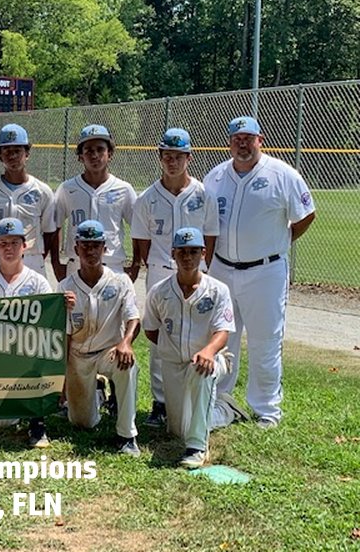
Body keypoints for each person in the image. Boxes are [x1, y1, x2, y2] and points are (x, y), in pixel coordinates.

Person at [204, 116, 316, 428]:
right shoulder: (215, 177)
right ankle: (219, 403)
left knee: (265, 341)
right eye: (237, 137)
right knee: (222, 339)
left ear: (260, 140)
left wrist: (282, 240)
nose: (243, 143)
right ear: (229, 142)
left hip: (266, 271)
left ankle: (266, 410)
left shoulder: (283, 175)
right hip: (222, 269)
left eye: (248, 137)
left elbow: (306, 214)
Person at [131, 128, 220, 428]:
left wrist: (199, 269)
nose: (172, 162)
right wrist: (157, 265)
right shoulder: (146, 197)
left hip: (196, 272)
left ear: (188, 158)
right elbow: (141, 241)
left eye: (178, 156)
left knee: (199, 335)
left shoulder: (204, 194)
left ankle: (198, 396)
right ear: (160, 157)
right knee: (160, 340)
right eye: (167, 156)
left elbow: (210, 237)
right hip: (160, 270)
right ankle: (160, 402)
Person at [143, 227, 242, 468]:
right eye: (182, 252)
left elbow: (223, 332)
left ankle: (197, 447)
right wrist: (174, 349)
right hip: (174, 363)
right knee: (178, 428)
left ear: (204, 254)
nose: (188, 258)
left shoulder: (218, 290)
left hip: (212, 358)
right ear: (173, 254)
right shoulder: (160, 291)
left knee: (201, 370)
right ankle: (226, 409)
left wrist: (208, 351)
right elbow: (151, 329)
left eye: (194, 252)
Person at [0, 218, 55, 447]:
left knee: (43, 355)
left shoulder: (38, 282)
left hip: (25, 352)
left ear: (24, 246)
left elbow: (48, 320)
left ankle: (38, 424)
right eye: (4, 243)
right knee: (3, 422)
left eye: (15, 243)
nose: (9, 248)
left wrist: (62, 306)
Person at [58, 220, 141, 456]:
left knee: (127, 366)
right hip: (78, 356)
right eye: (85, 245)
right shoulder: (66, 287)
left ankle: (127, 435)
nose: (91, 251)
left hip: (109, 351)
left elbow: (134, 317)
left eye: (96, 245)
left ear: (105, 248)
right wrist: (62, 379)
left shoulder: (120, 281)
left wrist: (125, 343)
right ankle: (97, 390)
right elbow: (62, 335)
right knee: (82, 423)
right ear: (76, 249)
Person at [53, 124, 138, 282]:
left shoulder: (124, 189)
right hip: (77, 265)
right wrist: (56, 262)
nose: (95, 155)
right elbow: (55, 226)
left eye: (100, 149)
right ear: (80, 156)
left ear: (110, 154)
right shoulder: (67, 188)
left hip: (112, 264)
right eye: (89, 150)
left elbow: (139, 229)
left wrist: (136, 264)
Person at [0, 124, 56, 275]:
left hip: (31, 259)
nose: (12, 156)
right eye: (7, 151)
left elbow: (49, 232)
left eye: (17, 151)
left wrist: (34, 255)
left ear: (27, 153)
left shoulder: (42, 191)